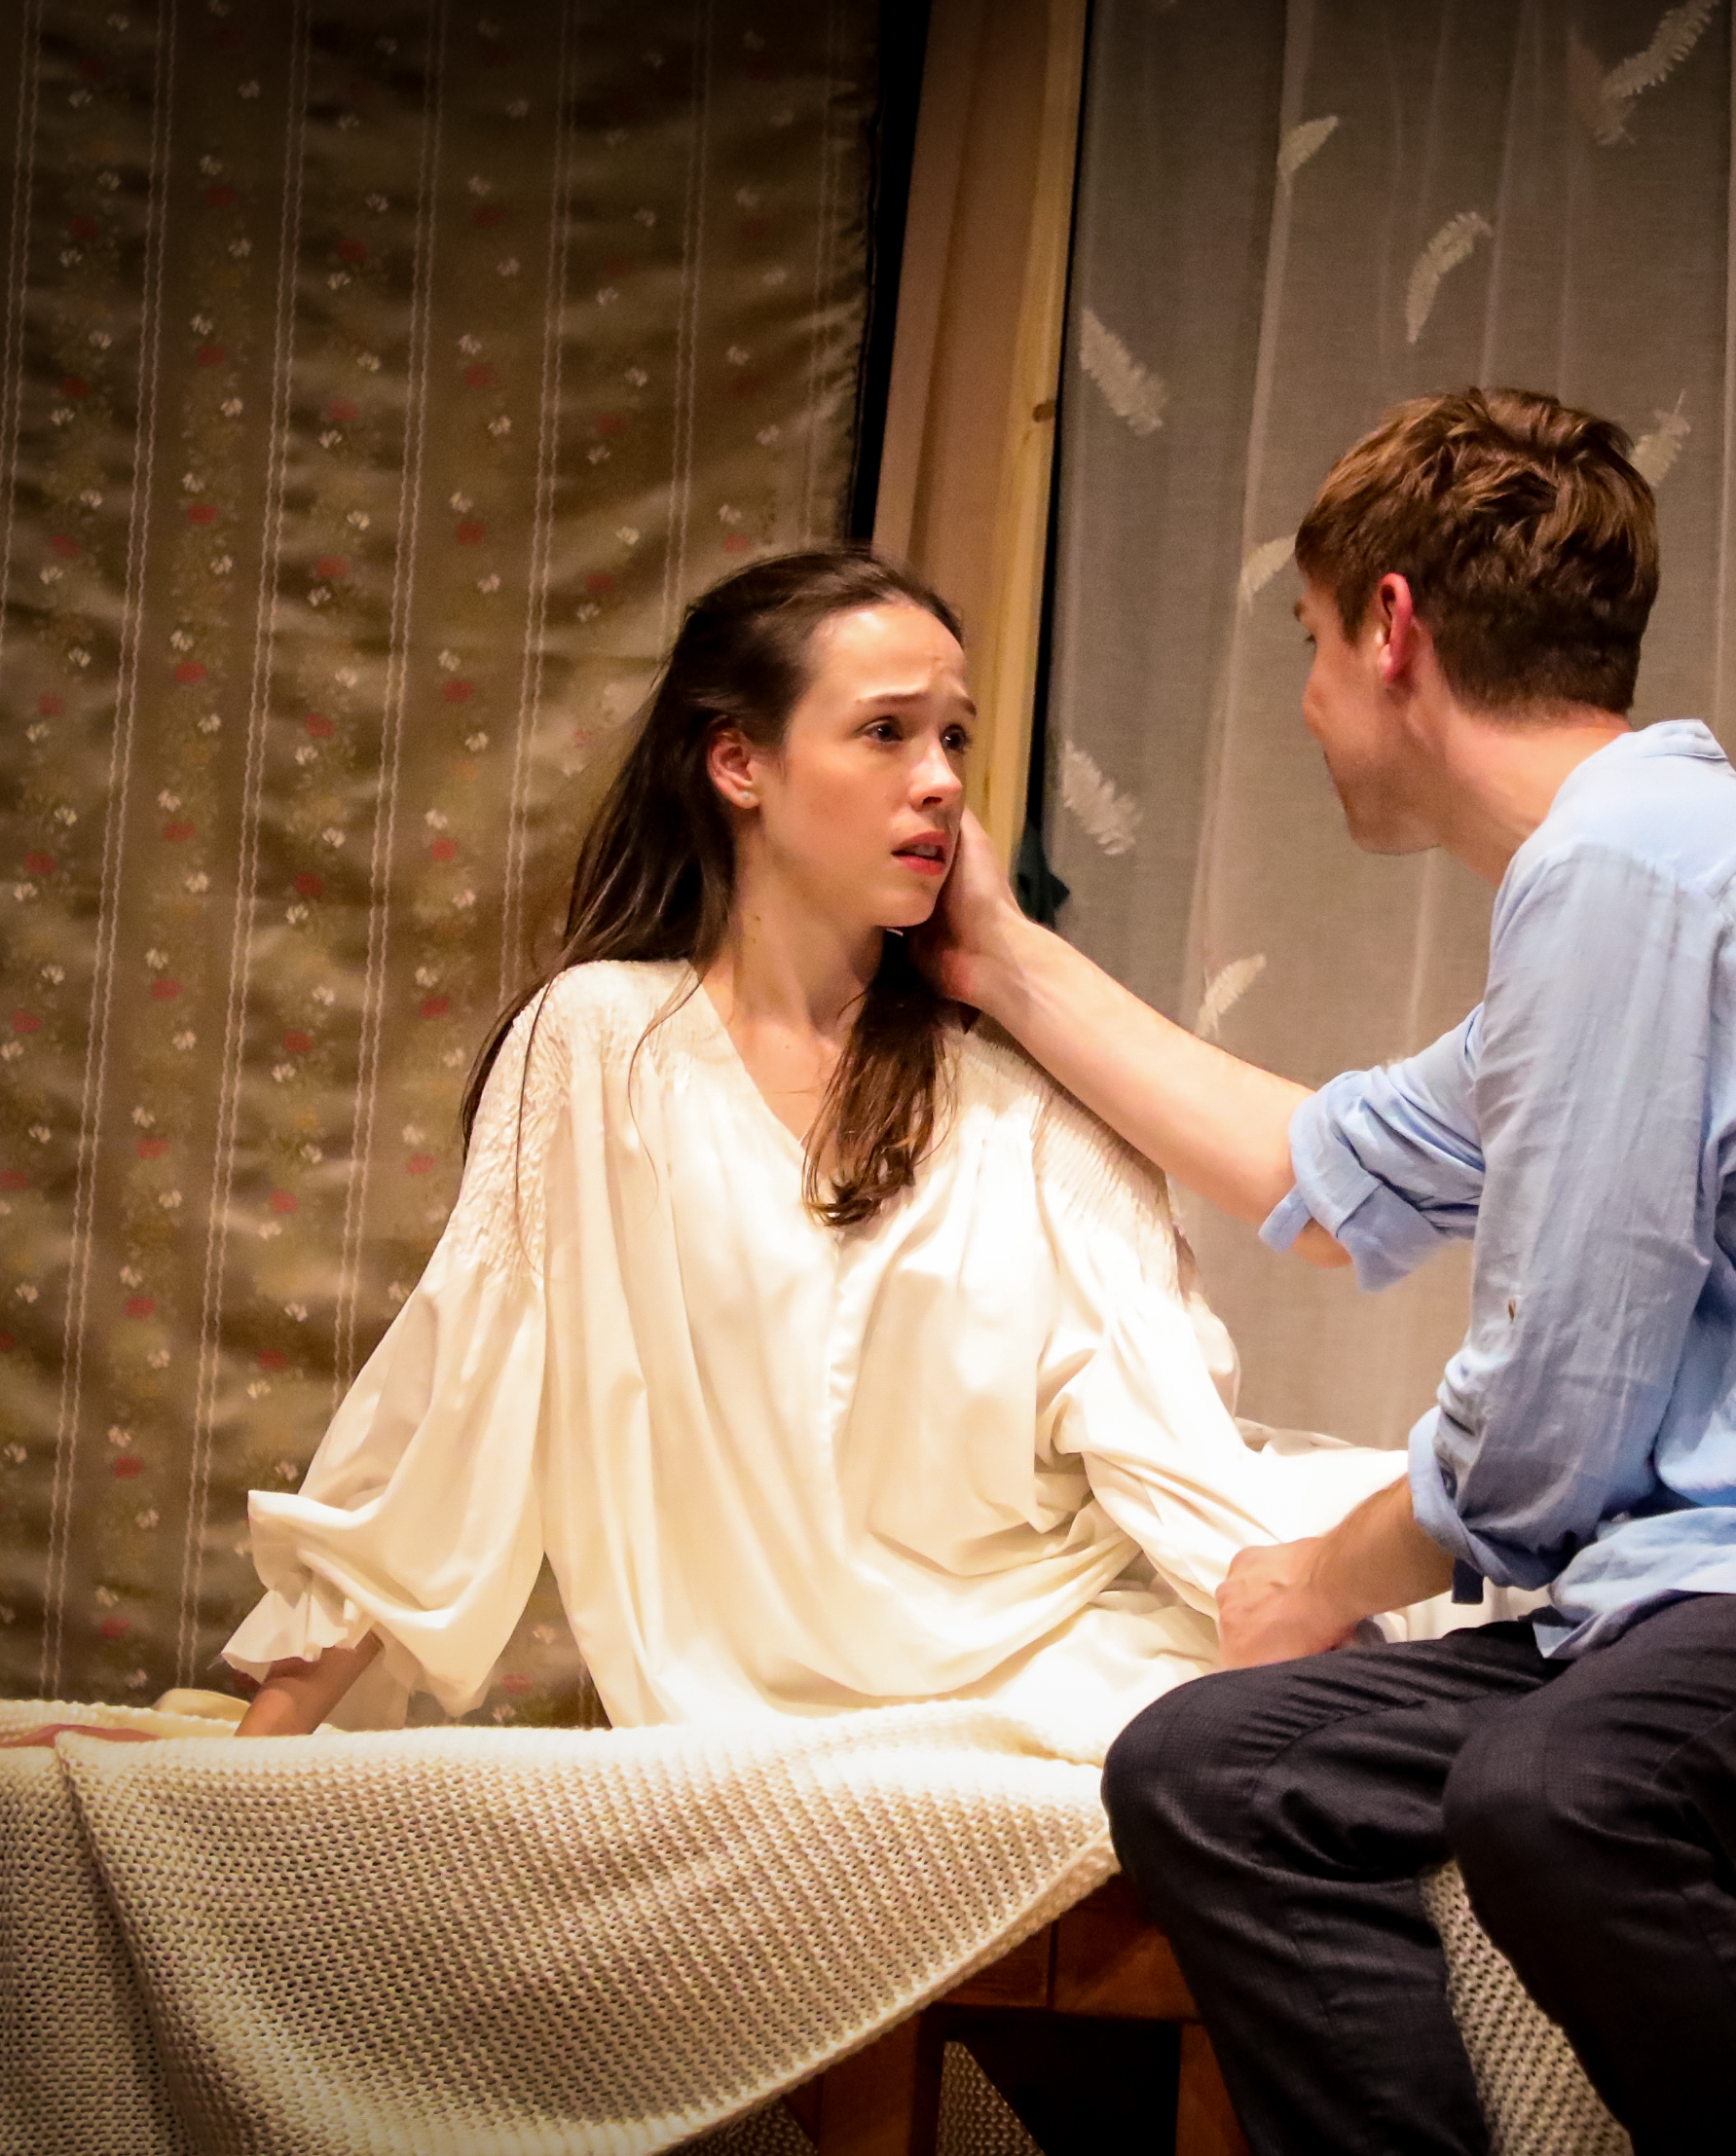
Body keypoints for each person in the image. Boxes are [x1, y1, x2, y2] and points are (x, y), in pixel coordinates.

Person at [916, 388, 1736, 2153]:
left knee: (1558, 1792)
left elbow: (1551, 1418)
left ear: (1390, 626)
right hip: (1703, 1605)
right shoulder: (1625, 874)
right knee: (1211, 1769)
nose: (1305, 698)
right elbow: (1323, 1174)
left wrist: (1314, 1575)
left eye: (1308, 642)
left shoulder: (1626, 869)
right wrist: (999, 962)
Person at [221, 546, 1398, 1756]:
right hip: (744, 1725)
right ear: (738, 762)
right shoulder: (601, 1045)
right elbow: (449, 1408)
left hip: (1069, 1676)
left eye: (954, 737)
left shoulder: (1029, 1115)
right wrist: (259, 1746)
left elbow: (1169, 1453)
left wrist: (1340, 1638)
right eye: (887, 732)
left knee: (1432, 1597)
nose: (941, 782)